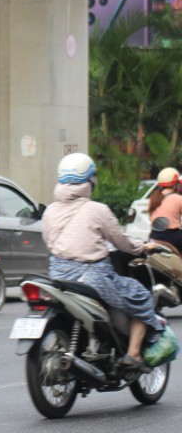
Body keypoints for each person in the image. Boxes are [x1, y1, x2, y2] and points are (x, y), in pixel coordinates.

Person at [41, 153, 163, 369]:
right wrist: (143, 247)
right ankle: (134, 355)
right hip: (92, 279)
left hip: (58, 276)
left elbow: (50, 241)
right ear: (90, 181)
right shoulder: (97, 210)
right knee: (141, 295)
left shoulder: (50, 211)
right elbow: (122, 242)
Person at [148, 167, 182, 252]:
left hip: (154, 236)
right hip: (173, 238)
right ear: (176, 184)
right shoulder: (178, 198)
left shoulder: (153, 197)